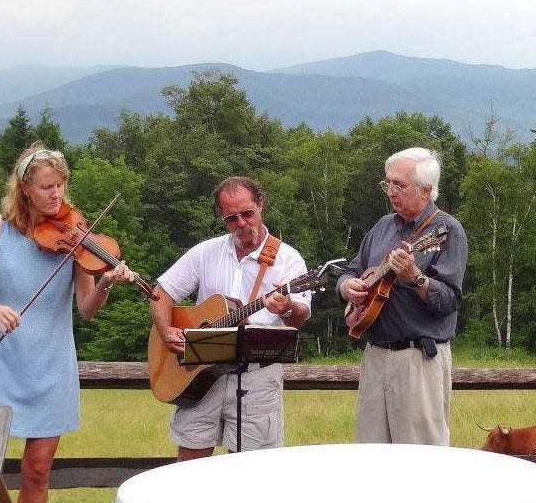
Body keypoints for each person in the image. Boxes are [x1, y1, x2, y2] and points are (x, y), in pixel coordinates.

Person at [0, 144, 137, 503]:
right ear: (25, 189)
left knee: (38, 471)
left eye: (61, 185)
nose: (57, 194)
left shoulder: (76, 236)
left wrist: (106, 283)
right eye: (47, 187)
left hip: (53, 363)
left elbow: (87, 309)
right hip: (4, 360)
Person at [151, 176, 311, 461]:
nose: (241, 223)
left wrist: (286, 307)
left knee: (252, 474)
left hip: (257, 377)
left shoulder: (288, 259)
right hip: (200, 376)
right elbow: (161, 293)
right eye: (231, 218)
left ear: (261, 205)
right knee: (189, 470)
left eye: (247, 213)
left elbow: (300, 317)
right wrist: (165, 330)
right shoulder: (206, 252)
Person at [337, 147, 468, 445]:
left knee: (420, 460)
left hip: (417, 359)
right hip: (375, 356)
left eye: (399, 185)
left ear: (426, 190)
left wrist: (415, 277)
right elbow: (350, 271)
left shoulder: (447, 231)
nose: (391, 191)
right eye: (388, 183)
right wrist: (346, 287)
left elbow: (449, 301)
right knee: (371, 454)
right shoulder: (382, 226)